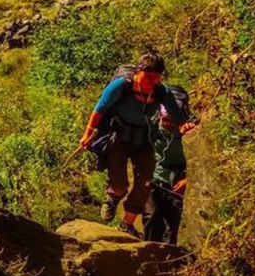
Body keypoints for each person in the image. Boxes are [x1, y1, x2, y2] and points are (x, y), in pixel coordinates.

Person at [78, 53, 192, 237]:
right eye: (148, 78)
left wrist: (184, 125)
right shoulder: (121, 85)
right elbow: (100, 108)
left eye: (156, 79)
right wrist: (87, 133)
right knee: (120, 183)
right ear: (139, 72)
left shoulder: (161, 91)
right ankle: (113, 197)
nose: (152, 83)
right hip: (119, 137)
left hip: (143, 139)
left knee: (145, 183)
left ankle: (126, 225)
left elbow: (177, 116)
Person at [144, 98, 192, 244]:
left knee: (173, 227)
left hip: (177, 182)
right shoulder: (151, 126)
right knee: (151, 219)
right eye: (165, 119)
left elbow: (202, 161)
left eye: (172, 121)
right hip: (154, 179)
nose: (167, 124)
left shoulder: (190, 132)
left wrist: (187, 179)